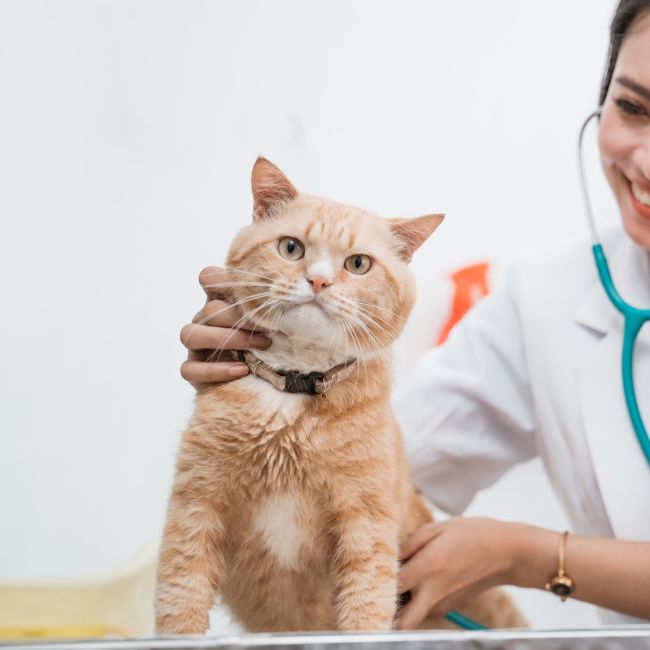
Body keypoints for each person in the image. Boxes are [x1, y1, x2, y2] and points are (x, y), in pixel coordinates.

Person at [179, 0, 650, 626]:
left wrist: (531, 555)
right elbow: (382, 461)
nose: (644, 162)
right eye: (633, 108)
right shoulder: (548, 294)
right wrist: (274, 369)